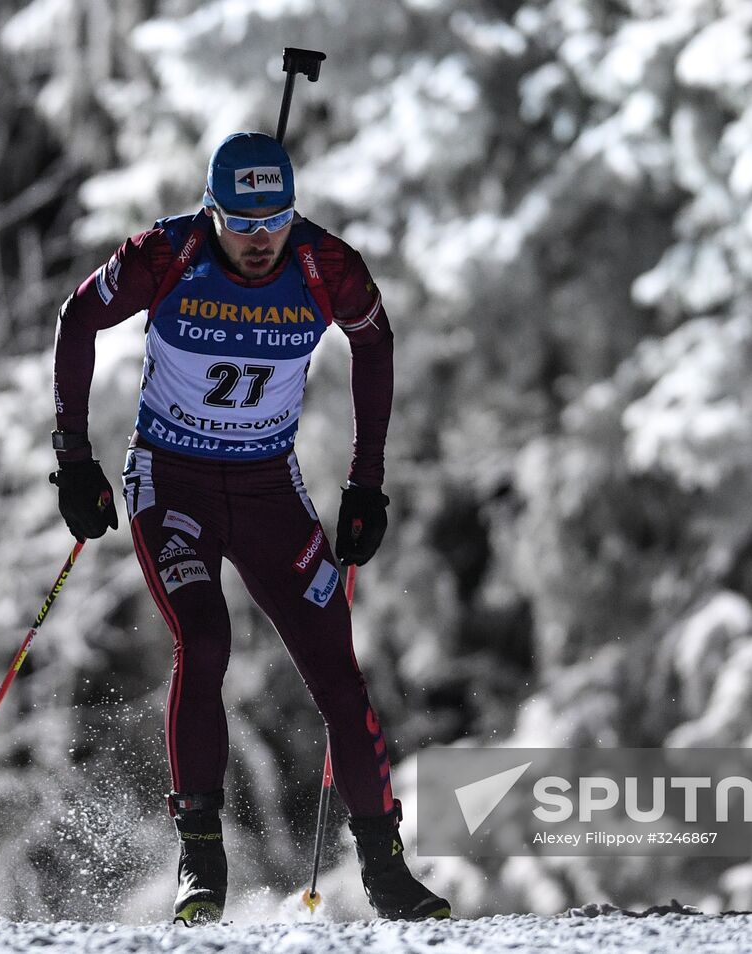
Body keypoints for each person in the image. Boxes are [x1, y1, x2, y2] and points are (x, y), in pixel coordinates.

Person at [48, 132, 450, 923]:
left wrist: (366, 482)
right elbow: (77, 319)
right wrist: (74, 459)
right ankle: (201, 864)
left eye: (276, 220)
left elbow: (375, 339)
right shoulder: (166, 253)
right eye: (242, 222)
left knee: (337, 670)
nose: (261, 240)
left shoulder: (324, 265)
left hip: (270, 489)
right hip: (174, 482)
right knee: (205, 640)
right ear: (213, 212)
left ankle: (387, 872)